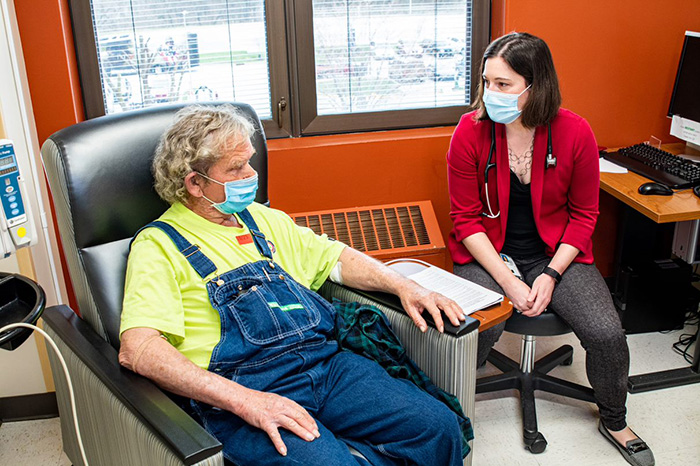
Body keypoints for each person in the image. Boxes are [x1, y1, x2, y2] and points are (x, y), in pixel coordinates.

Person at [119, 104, 466, 466]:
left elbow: (336, 259)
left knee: (438, 427)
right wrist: (244, 400)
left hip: (325, 366)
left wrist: (404, 286)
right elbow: (138, 349)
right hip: (244, 388)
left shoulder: (264, 220)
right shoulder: (159, 245)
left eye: (249, 162)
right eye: (236, 168)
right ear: (195, 183)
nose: (252, 174)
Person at [446, 32, 654, 466]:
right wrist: (507, 281)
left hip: (555, 253)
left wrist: (550, 274)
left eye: (503, 84)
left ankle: (615, 419)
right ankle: (449, 413)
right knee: (477, 328)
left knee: (606, 333)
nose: (490, 93)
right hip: (490, 252)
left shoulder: (574, 131)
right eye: (486, 82)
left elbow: (584, 216)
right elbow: (465, 219)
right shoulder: (470, 131)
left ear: (535, 85)